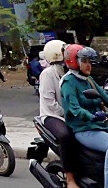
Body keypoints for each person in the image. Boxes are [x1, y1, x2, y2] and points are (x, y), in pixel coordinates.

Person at [61, 47, 108, 188]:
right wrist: (92, 116)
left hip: (101, 126)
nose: (88, 65)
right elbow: (74, 108)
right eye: (84, 61)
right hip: (83, 129)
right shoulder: (68, 82)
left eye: (89, 61)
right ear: (74, 62)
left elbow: (107, 99)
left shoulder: (89, 80)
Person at [37, 39, 81, 188]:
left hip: (71, 114)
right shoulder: (47, 74)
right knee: (66, 136)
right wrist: (67, 114)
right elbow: (50, 102)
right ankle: (70, 179)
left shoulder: (72, 73)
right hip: (52, 116)